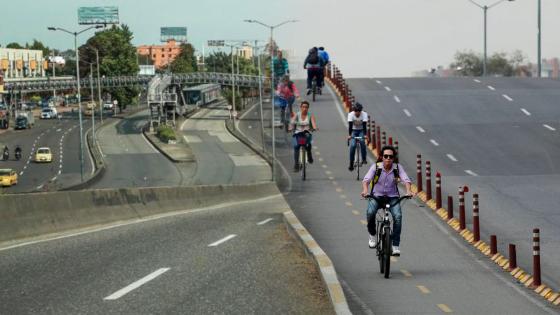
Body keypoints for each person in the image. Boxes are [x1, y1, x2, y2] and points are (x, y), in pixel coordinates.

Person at [360, 145, 415, 256]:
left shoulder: (397, 168)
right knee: (370, 213)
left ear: (393, 158)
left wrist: (409, 191)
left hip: (393, 197)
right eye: (386, 156)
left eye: (391, 156)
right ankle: (372, 235)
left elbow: (406, 180)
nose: (388, 158)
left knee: (398, 217)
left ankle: (395, 246)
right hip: (377, 196)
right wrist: (365, 191)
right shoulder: (376, 167)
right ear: (382, 157)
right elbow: (366, 180)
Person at [289, 100, 318, 171]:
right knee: (296, 146)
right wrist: (290, 128)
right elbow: (292, 122)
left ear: (308, 108)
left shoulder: (310, 115)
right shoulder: (297, 115)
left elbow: (313, 123)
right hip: (298, 133)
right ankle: (296, 165)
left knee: (308, 144)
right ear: (300, 107)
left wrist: (315, 128)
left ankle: (309, 155)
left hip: (306, 133)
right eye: (303, 107)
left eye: (306, 107)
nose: (305, 108)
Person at [347, 102, 368, 171]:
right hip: (353, 131)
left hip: (361, 130)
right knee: (353, 146)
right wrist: (349, 135)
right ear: (354, 111)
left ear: (361, 111)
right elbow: (350, 126)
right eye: (356, 111)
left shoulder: (364, 114)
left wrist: (365, 135)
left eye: (359, 111)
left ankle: (364, 158)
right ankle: (351, 164)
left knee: (362, 142)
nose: (357, 113)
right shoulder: (350, 115)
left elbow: (364, 126)